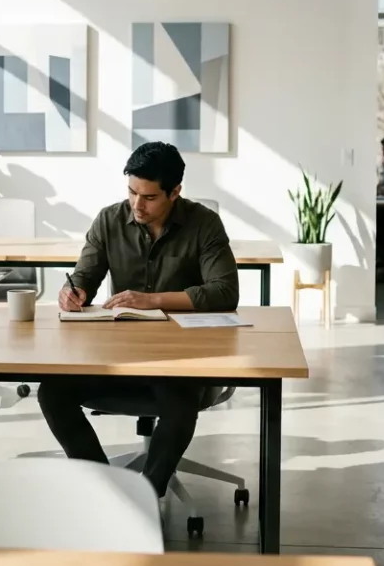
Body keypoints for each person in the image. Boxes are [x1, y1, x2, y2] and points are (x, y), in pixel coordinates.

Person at [39, 142, 239, 498]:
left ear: (175, 192)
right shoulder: (108, 220)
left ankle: (147, 494)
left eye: (148, 197)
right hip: (120, 357)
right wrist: (74, 293)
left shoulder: (203, 224)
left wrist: (153, 301)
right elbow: (83, 277)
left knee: (180, 401)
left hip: (181, 360)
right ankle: (106, 488)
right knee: (52, 391)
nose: (136, 204)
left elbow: (225, 292)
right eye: (131, 192)